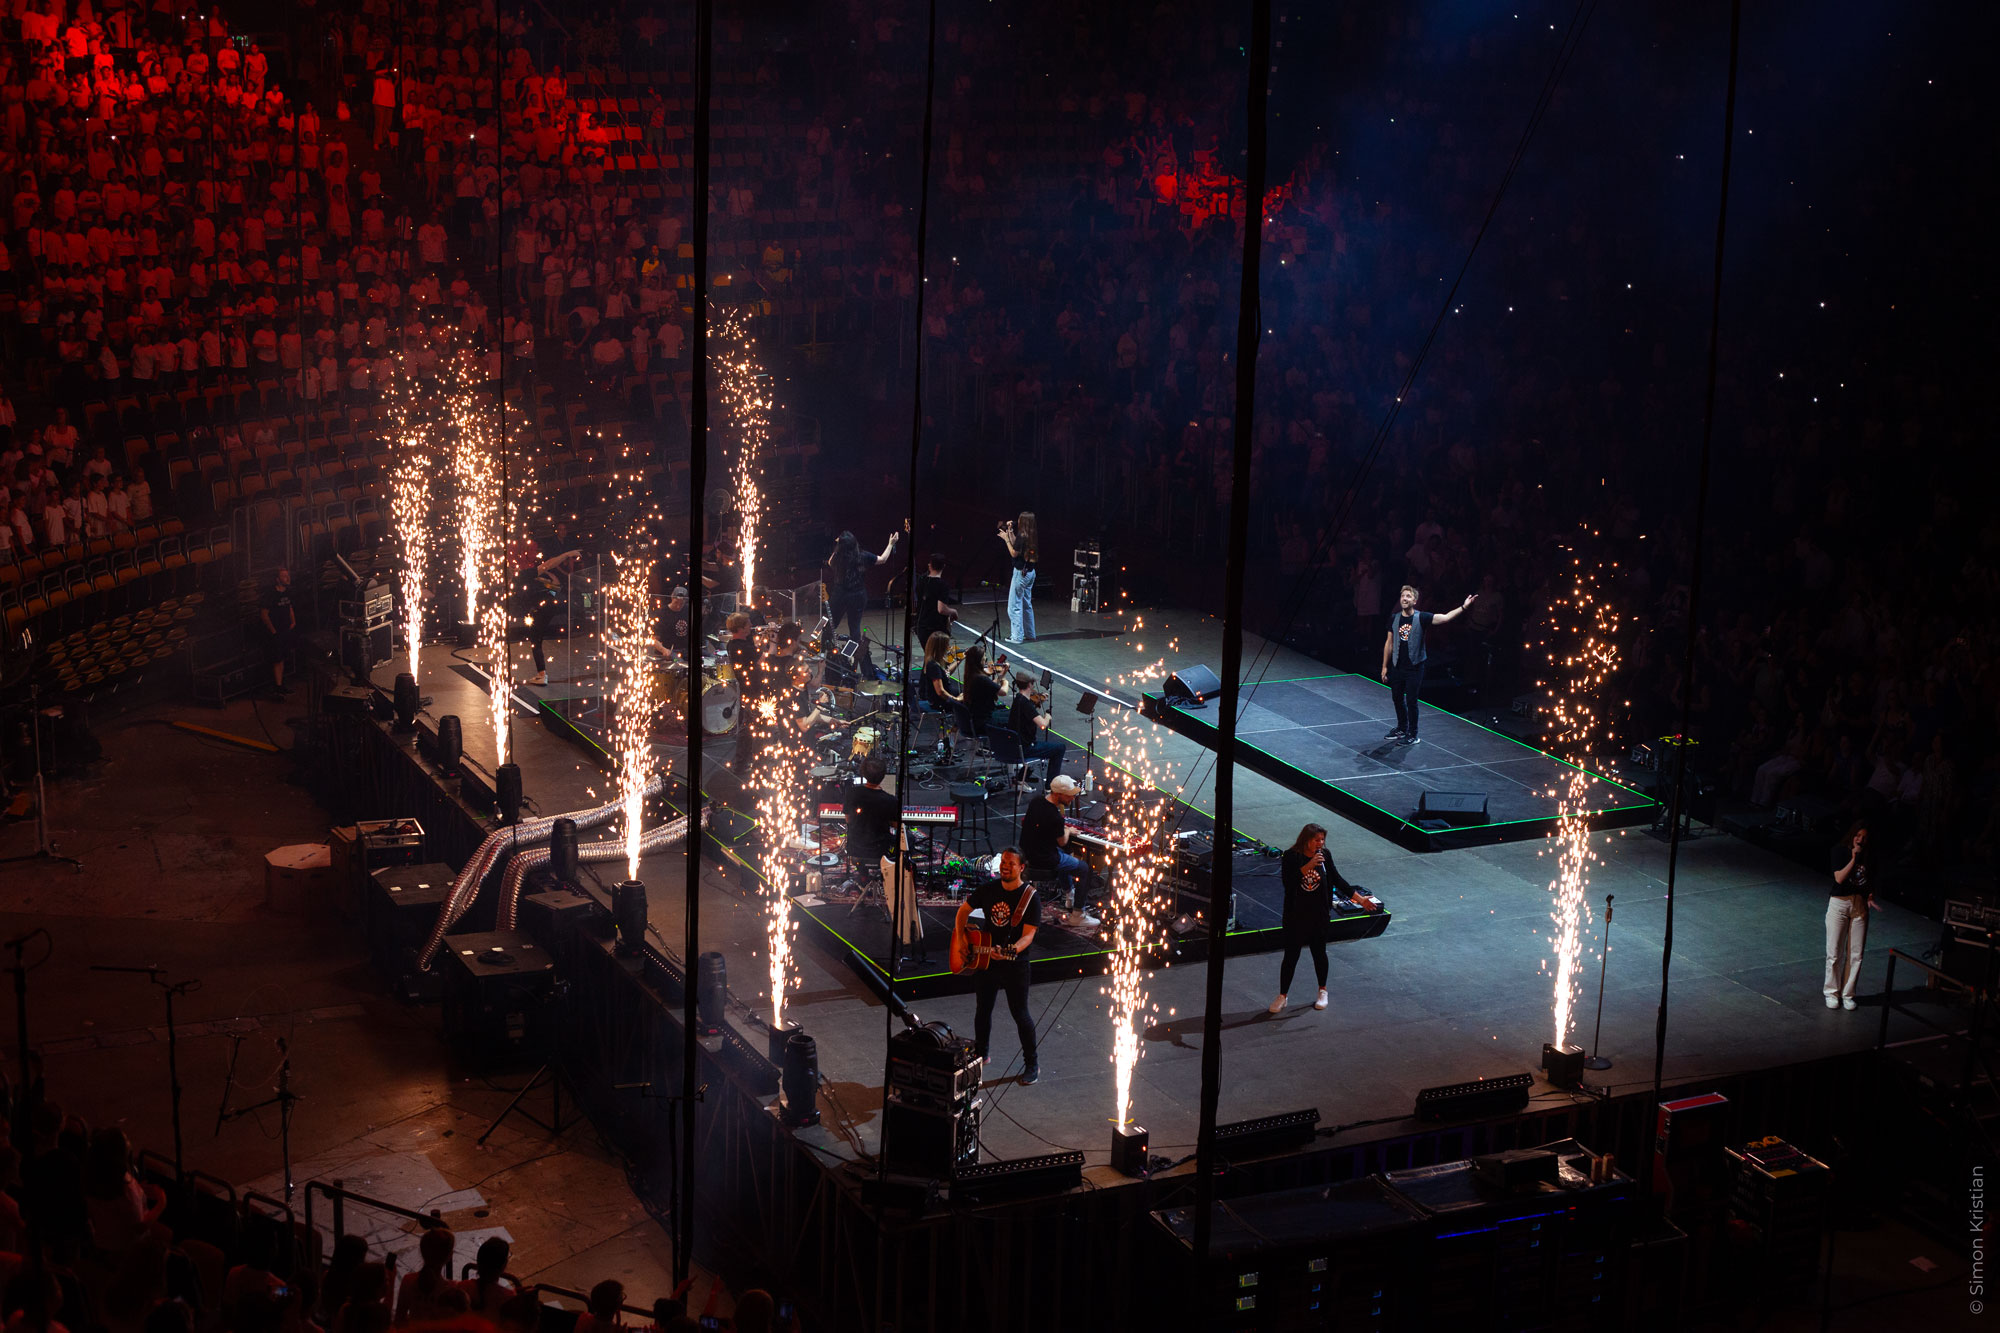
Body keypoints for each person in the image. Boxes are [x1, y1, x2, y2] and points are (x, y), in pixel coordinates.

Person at [955, 848, 1042, 1084]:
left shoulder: (1030, 897)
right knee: (983, 1009)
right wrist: (961, 939)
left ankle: (1032, 1064)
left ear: (1021, 867)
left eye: (1011, 863)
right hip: (987, 961)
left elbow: (1028, 935)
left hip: (1015, 965)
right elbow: (963, 911)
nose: (1005, 866)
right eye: (1003, 862)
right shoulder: (989, 889)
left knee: (1020, 1014)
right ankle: (981, 1054)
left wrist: (1013, 950)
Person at [1267, 823, 1360, 1014]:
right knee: (1291, 956)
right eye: (1317, 840)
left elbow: (1337, 879)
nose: (1320, 843)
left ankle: (1322, 991)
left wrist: (1360, 899)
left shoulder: (1325, 856)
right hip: (1296, 916)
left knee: (1319, 953)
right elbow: (1288, 882)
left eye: (1322, 840)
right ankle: (1282, 996)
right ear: (1306, 840)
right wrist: (1309, 865)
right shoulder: (1291, 856)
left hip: (1319, 915)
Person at [1379, 583, 1477, 744]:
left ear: (1415, 601)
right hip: (1397, 666)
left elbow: (1445, 617)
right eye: (1403, 596)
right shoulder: (1394, 618)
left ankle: (1413, 734)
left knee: (1411, 701)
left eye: (1408, 596)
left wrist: (1464, 607)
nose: (1404, 598)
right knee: (1397, 697)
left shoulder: (1422, 617)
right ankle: (1402, 728)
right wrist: (1384, 666)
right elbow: (1389, 643)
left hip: (1415, 667)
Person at [1020, 774, 1095, 924]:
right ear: (1058, 794)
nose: (1072, 798)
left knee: (1065, 856)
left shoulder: (1036, 801)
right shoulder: (1055, 817)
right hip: (1044, 858)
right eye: (1069, 795)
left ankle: (1070, 895)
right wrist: (1067, 830)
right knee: (1084, 869)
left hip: (1028, 852)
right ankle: (1078, 915)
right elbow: (1062, 842)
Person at [1826, 820, 1877, 1010]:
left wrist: (1870, 895)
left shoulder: (1870, 856)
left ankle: (1848, 994)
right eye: (1858, 835)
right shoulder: (1839, 851)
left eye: (1864, 837)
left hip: (1859, 906)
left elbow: (1870, 881)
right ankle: (1831, 993)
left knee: (1856, 954)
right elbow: (1839, 878)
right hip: (1840, 903)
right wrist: (1854, 859)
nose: (1860, 840)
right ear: (1852, 835)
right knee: (1834, 952)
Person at [512, 549, 580, 686]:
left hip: (542, 608)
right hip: (544, 607)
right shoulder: (524, 576)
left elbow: (551, 575)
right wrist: (565, 555)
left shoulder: (523, 577)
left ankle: (542, 675)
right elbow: (550, 571)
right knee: (535, 640)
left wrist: (565, 555)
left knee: (535, 640)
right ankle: (541, 674)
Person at [825, 523, 902, 643]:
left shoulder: (838, 557)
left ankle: (825, 649)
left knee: (830, 624)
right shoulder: (862, 555)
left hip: (840, 594)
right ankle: (855, 652)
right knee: (854, 627)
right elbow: (882, 559)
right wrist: (890, 544)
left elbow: (830, 563)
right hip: (857, 595)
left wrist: (838, 547)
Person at [1006, 672, 1067, 777]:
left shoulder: (1018, 699)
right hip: (1025, 748)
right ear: (1029, 685)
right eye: (1033, 684)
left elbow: (1029, 712)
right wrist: (1047, 716)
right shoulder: (1026, 704)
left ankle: (1021, 778)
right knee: (1060, 748)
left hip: (1013, 746)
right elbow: (1042, 725)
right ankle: (1050, 784)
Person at [999, 511, 1038, 641]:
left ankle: (1016, 637)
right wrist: (1010, 531)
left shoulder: (1022, 536)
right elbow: (1018, 545)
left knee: (1014, 606)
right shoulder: (1031, 535)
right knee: (1026, 604)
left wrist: (1006, 539)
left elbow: (1014, 553)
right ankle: (1030, 634)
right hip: (1030, 573)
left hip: (1020, 574)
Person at [260, 567, 296, 698]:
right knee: (277, 659)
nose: (288, 578)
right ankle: (278, 686)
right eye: (284, 576)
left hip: (286, 630)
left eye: (288, 575)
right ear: (277, 579)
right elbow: (264, 614)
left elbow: (290, 607)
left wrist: (293, 621)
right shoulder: (271, 594)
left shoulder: (288, 592)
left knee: (283, 658)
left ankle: (281, 684)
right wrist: (273, 631)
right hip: (276, 632)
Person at [912, 551, 957, 645]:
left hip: (921, 627)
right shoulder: (942, 585)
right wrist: (953, 611)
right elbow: (941, 609)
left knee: (928, 653)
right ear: (943, 566)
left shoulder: (921, 581)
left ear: (930, 565)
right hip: (936, 629)